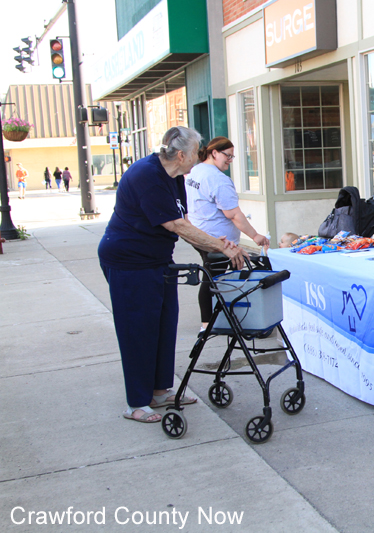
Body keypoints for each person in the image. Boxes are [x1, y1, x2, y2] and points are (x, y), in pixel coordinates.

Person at [98, 127, 248, 424]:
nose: (199, 157)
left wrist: (215, 243)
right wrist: (220, 247)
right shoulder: (147, 176)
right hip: (129, 261)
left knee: (165, 324)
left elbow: (184, 221)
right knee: (138, 330)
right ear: (181, 154)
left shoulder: (176, 176)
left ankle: (159, 391)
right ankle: (136, 402)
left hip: (157, 259)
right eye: (196, 152)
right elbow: (175, 225)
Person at [185, 136, 270, 332]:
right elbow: (233, 214)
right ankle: (208, 324)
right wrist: (255, 236)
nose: (230, 160)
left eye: (232, 157)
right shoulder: (218, 179)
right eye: (227, 156)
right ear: (214, 153)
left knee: (219, 274)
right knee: (213, 277)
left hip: (199, 234)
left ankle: (222, 315)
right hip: (217, 240)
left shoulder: (196, 171)